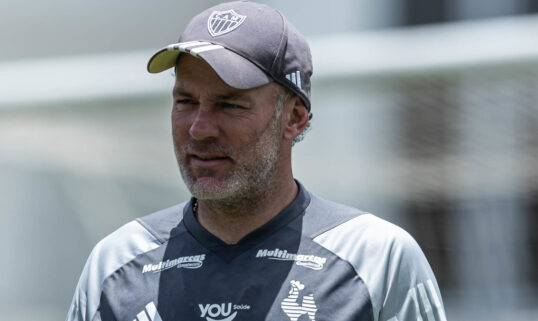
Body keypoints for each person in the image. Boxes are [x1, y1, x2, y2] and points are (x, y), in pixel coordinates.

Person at [66, 1, 447, 321]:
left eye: (230, 104)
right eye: (185, 101)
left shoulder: (376, 256)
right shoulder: (116, 262)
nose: (199, 129)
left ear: (294, 118)